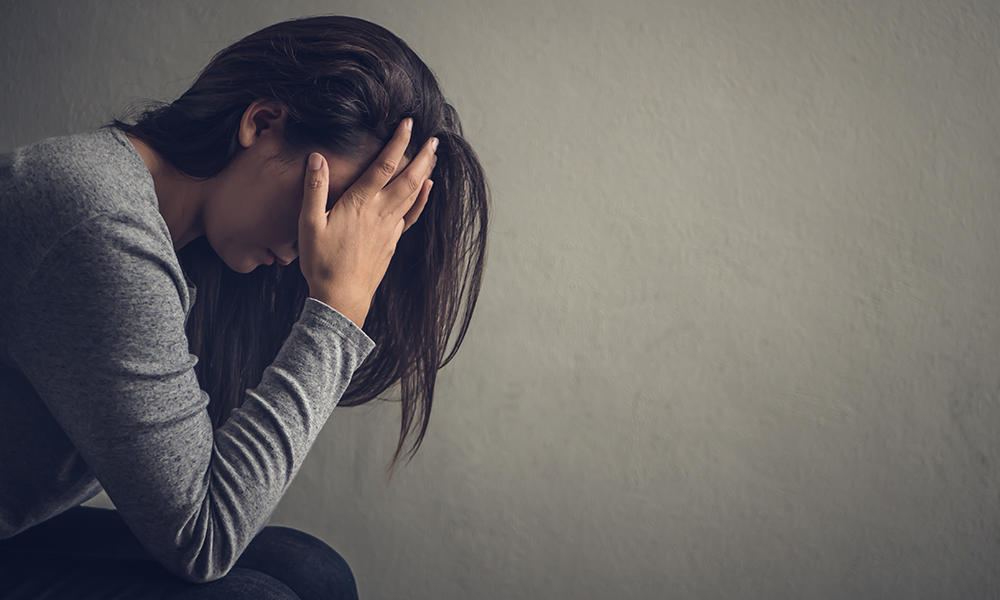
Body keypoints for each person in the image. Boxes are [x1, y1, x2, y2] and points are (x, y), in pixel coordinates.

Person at [0, 15, 488, 600]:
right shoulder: (101, 222)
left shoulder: (176, 241)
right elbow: (202, 540)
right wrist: (338, 311)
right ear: (261, 123)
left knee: (309, 568)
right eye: (333, 205)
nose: (321, 242)